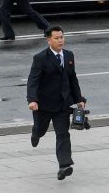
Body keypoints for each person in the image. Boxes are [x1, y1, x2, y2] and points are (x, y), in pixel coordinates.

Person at [27, 26, 85, 181]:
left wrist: (79, 99)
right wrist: (32, 100)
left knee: (63, 134)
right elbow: (33, 80)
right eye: (57, 38)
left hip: (62, 105)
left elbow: (73, 79)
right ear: (49, 40)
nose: (60, 40)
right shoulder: (40, 58)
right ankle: (36, 132)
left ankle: (64, 166)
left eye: (62, 37)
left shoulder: (69, 55)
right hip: (43, 105)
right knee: (41, 130)